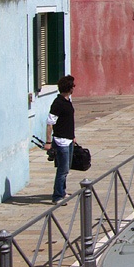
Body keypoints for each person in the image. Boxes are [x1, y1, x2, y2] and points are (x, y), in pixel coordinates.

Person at [45, 74, 76, 203]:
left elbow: (68, 121)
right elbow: (50, 123)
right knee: (62, 170)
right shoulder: (58, 103)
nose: (74, 88)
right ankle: (57, 196)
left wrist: (73, 137)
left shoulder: (67, 101)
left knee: (66, 169)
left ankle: (62, 191)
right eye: (73, 86)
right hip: (61, 141)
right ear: (69, 88)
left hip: (69, 140)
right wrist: (48, 142)